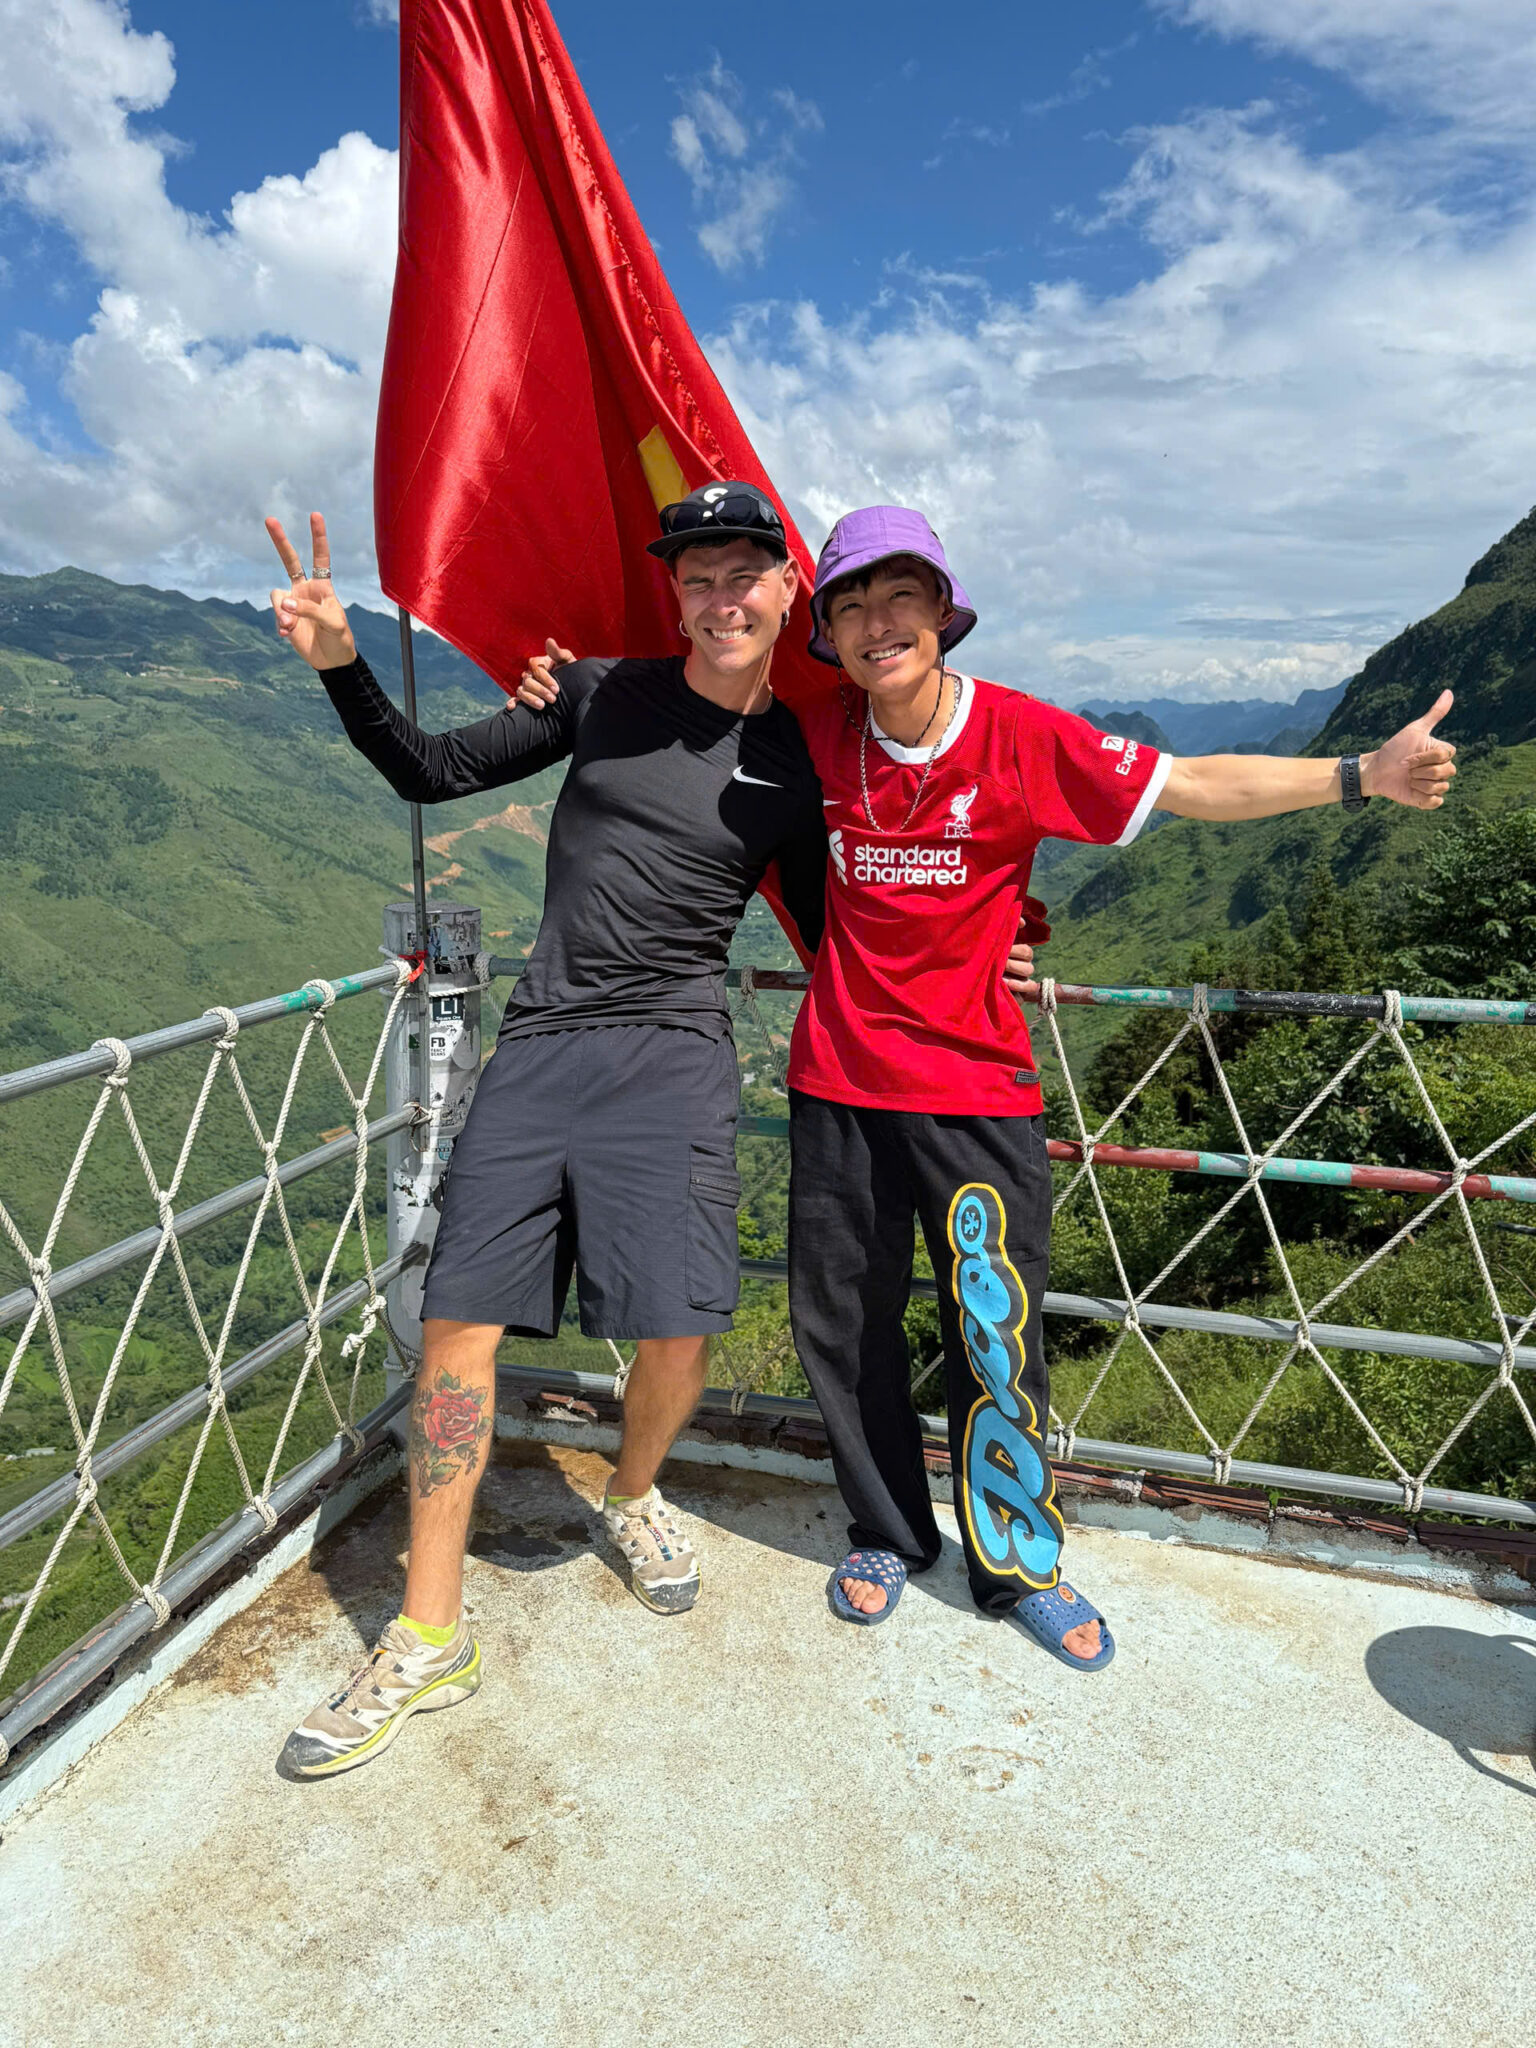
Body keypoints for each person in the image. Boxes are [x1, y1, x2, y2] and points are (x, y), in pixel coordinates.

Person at [519, 504, 1456, 1671]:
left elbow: (1194, 783)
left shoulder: (1018, 734)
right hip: (840, 1082)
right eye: (852, 605)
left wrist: (1362, 773)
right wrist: (576, 689)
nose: (877, 623)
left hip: (978, 1090)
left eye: (900, 597)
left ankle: (1018, 1560)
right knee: (842, 1325)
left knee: (992, 1329)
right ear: (829, 632)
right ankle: (886, 1531)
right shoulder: (818, 731)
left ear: (942, 613)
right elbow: (705, 688)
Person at [263, 493, 1039, 1777]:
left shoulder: (796, 759)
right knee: (458, 1322)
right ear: (675, 597)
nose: (722, 596)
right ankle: (427, 1632)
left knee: (679, 1323)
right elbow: (429, 771)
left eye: (746, 573)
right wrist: (343, 661)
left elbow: (851, 912)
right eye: (698, 577)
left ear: (787, 594)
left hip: (677, 1054)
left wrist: (993, 939)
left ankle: (632, 1491)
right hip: (543, 1042)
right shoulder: (596, 693)